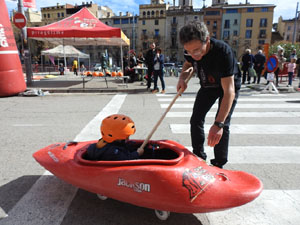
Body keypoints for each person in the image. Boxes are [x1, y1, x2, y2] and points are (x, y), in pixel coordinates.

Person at [177, 21, 241, 169]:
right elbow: (188, 64)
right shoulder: (191, 52)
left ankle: (219, 163)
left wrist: (218, 124)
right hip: (208, 85)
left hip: (228, 85)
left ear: (207, 40)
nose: (194, 55)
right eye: (189, 51)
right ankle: (198, 157)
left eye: (197, 50)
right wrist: (182, 78)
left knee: (222, 124)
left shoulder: (223, 52)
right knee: (196, 120)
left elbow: (229, 92)